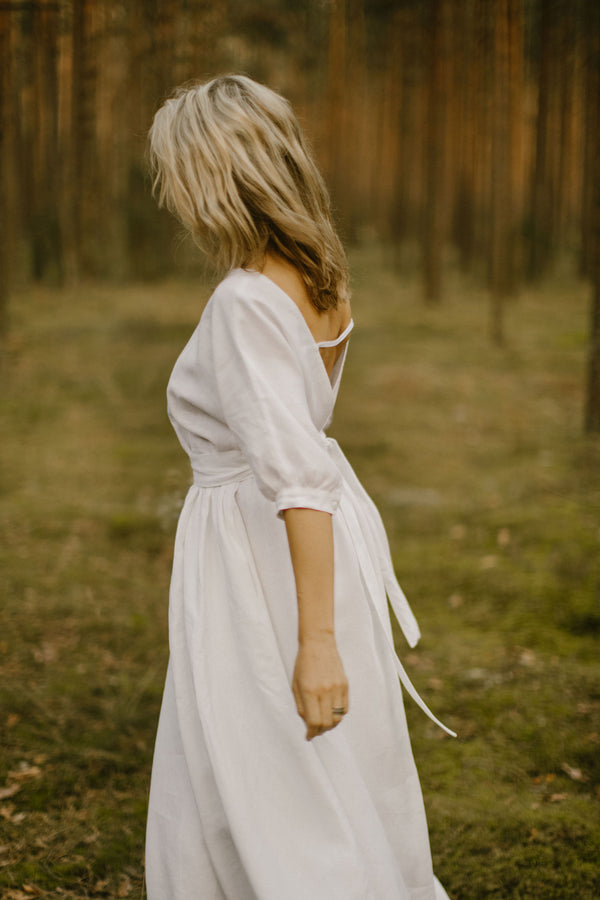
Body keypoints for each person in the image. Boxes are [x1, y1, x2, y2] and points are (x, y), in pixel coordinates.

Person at [145, 74, 454, 900]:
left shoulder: (246, 301)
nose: (172, 196)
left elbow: (292, 476)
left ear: (214, 178)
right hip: (309, 544)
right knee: (325, 766)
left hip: (265, 556)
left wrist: (315, 643)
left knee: (267, 768)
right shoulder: (320, 273)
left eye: (177, 175)